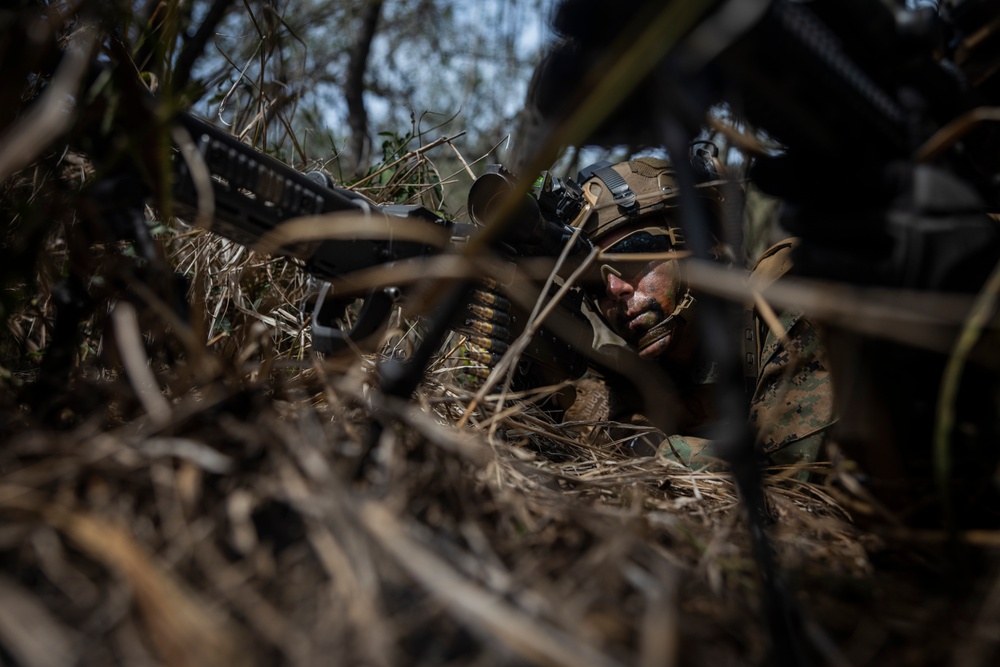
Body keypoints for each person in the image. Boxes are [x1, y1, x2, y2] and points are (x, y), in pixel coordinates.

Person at [566, 155, 836, 476]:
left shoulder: (783, 303)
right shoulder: (637, 374)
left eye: (630, 256)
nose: (614, 289)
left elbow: (787, 477)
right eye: (594, 282)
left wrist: (638, 444)